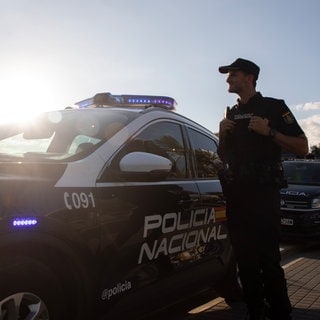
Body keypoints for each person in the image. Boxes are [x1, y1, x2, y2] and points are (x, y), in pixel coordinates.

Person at [217, 58, 308, 320]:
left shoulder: (274, 107)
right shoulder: (231, 113)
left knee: (268, 260)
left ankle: (281, 313)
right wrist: (222, 135)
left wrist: (269, 133)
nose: (228, 79)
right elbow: (223, 156)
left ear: (249, 78)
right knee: (244, 262)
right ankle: (255, 312)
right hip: (237, 195)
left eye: (233, 74)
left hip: (263, 195)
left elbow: (302, 146)